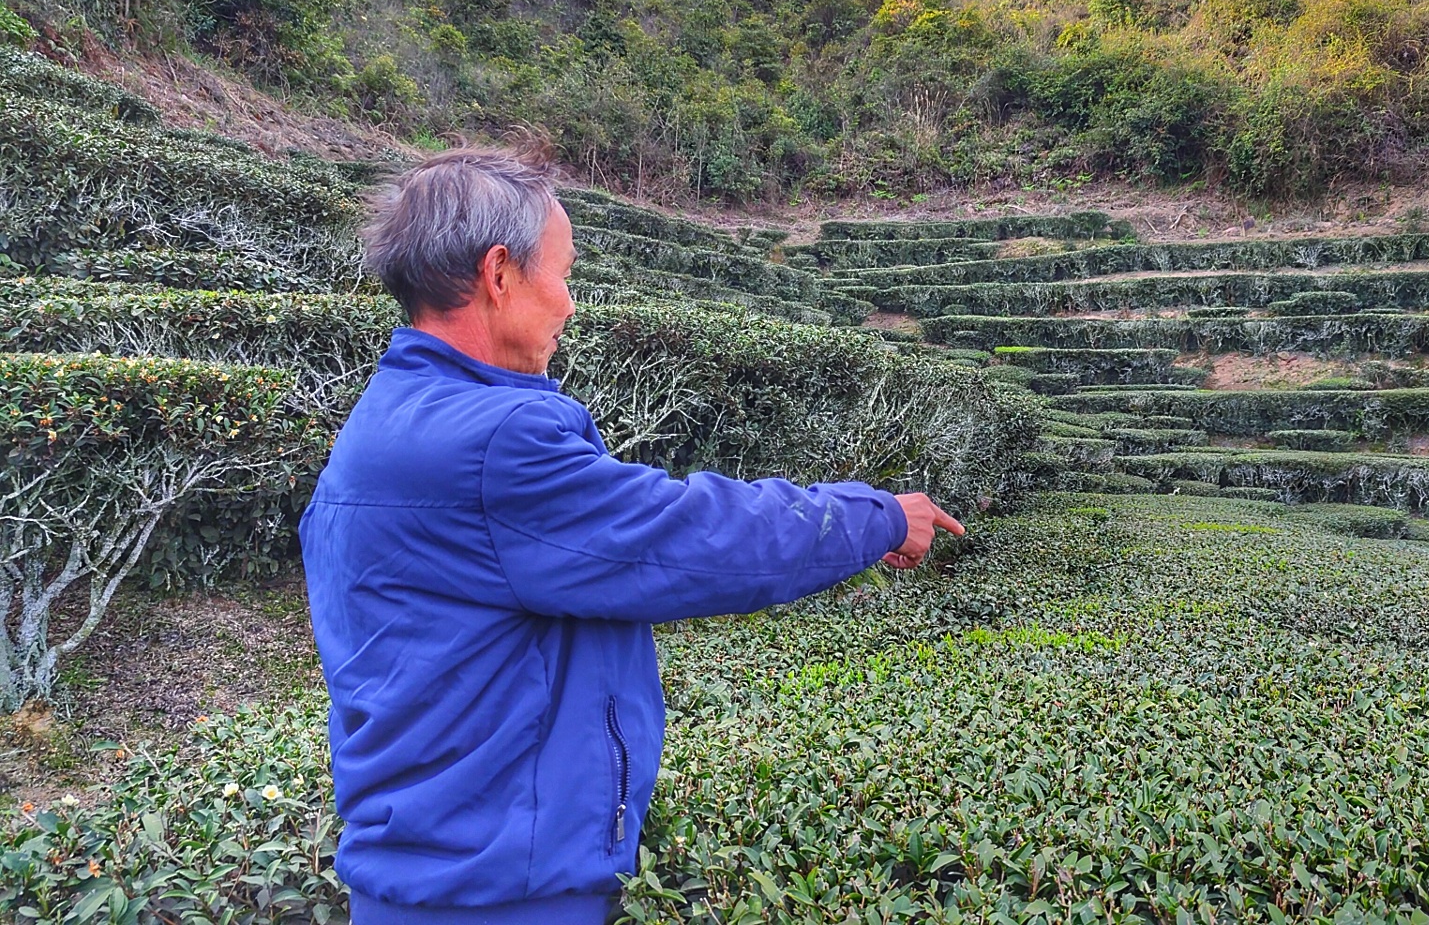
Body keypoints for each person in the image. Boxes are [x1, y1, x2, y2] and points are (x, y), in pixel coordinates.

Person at [298, 145, 963, 924]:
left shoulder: (386, 417)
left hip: (427, 871)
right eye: (563, 274)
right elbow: (693, 538)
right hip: (498, 891)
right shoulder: (494, 444)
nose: (570, 304)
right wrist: (879, 516)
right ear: (500, 273)